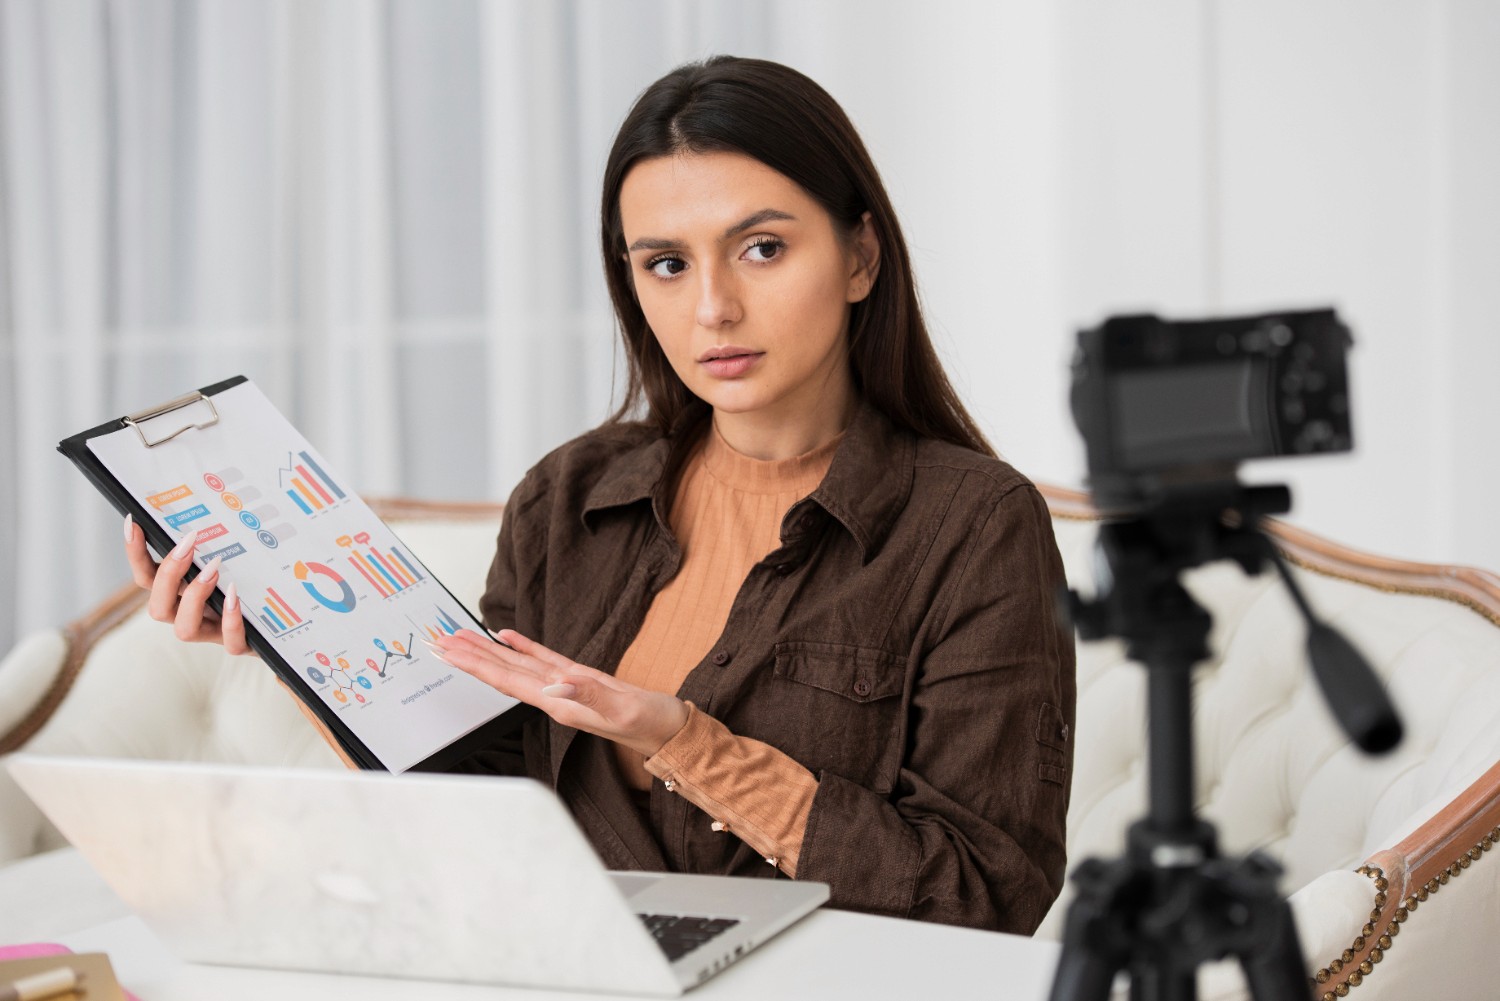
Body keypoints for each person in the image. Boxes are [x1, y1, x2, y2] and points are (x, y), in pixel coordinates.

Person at [125, 55, 1076, 935]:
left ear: (860, 256)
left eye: (761, 249)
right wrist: (312, 658)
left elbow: (988, 894)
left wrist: (687, 743)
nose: (712, 308)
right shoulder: (567, 494)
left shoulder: (976, 525)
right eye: (666, 263)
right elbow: (491, 804)